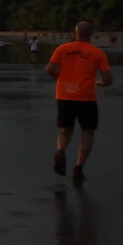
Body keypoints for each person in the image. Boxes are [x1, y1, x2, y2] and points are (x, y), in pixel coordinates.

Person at [47, 21, 113, 183]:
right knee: (87, 132)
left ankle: (61, 150)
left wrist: (60, 79)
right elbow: (108, 79)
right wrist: (101, 83)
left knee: (65, 129)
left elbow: (49, 69)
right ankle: (78, 167)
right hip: (86, 97)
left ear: (75, 32)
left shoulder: (62, 49)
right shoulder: (97, 53)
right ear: (91, 34)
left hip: (64, 95)